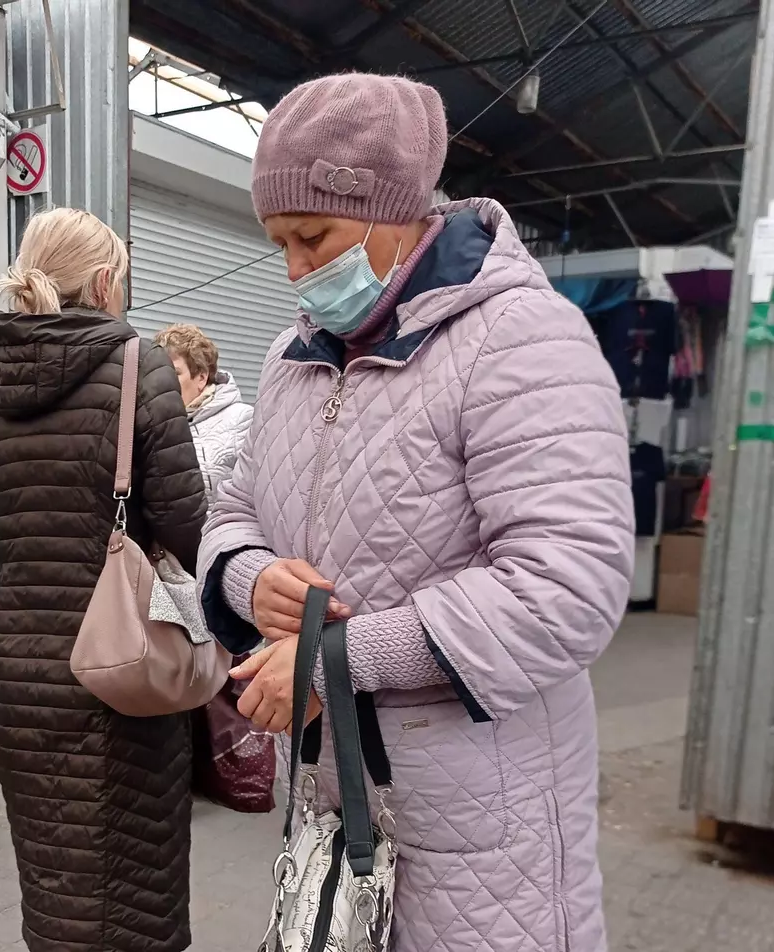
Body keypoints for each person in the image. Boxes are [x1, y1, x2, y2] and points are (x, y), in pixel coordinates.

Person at [198, 73, 633, 952]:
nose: (293, 269)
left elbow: (567, 585)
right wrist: (250, 579)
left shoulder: (520, 338)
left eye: (311, 236)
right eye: (276, 241)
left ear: (391, 208)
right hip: (340, 795)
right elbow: (233, 506)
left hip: (483, 819)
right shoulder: (296, 355)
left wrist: (333, 656)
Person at [0, 207, 207, 952]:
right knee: (133, 879)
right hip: (115, 660)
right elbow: (182, 519)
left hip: (22, 669)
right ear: (105, 281)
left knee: (55, 875)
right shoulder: (137, 364)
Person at [154, 323, 253, 502]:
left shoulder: (243, 420)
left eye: (174, 372)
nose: (162, 380)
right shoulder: (149, 423)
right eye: (158, 371)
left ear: (201, 377)